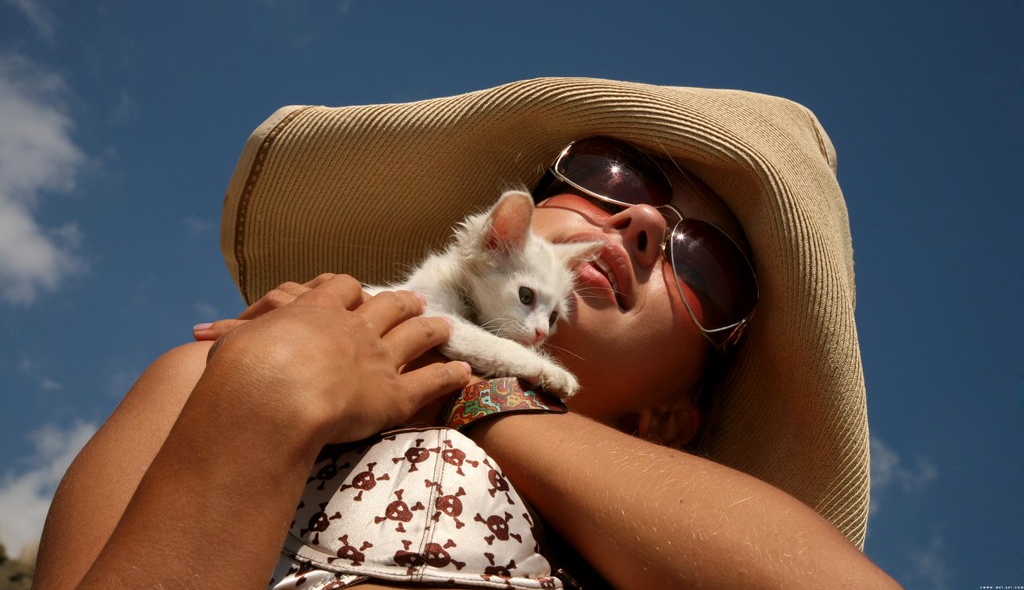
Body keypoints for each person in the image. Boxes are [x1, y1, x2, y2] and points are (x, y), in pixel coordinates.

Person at [32, 77, 900, 588]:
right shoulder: (212, 375)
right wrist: (266, 393)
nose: (639, 221)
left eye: (707, 267)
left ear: (671, 417)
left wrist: (475, 392)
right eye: (613, 176)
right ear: (502, 232)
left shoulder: (690, 548)